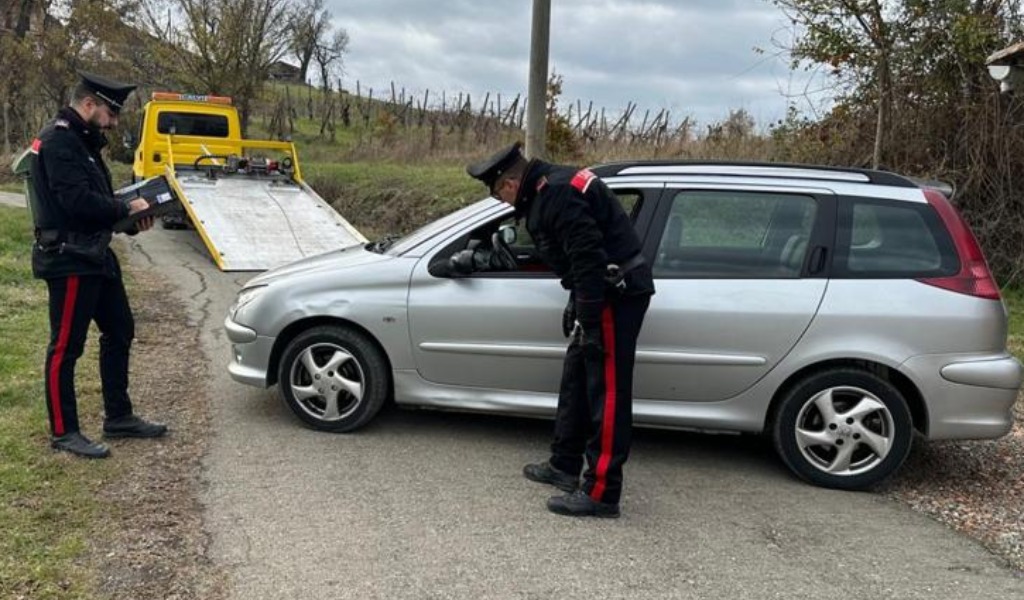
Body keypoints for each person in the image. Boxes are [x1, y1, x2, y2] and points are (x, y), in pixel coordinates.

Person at [467, 142, 654, 518]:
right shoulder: (550, 185)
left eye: (500, 193)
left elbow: (588, 255)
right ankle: (564, 465)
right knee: (577, 380)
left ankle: (602, 493)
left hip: (612, 295)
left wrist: (587, 312)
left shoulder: (556, 194)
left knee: (608, 392)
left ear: (509, 183)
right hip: (599, 291)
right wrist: (578, 303)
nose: (504, 203)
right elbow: (578, 255)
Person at [29, 71, 167, 459]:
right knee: (66, 347)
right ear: (89, 104)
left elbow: (98, 204)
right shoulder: (59, 142)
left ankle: (119, 416)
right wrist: (125, 208)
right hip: (70, 259)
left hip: (95, 253)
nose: (114, 122)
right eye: (111, 113)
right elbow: (76, 203)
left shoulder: (84, 142)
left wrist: (131, 220)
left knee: (120, 329)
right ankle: (64, 431)